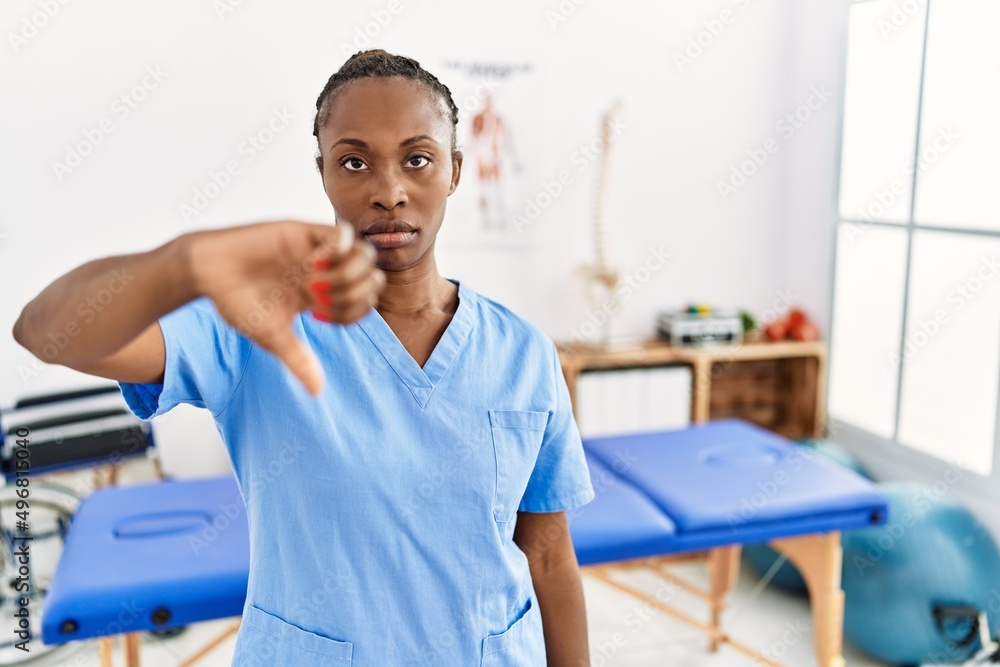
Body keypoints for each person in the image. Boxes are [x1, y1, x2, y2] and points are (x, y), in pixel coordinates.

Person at [13, 49, 595, 666]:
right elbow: (47, 332)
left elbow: (550, 552)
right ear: (324, 174)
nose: (389, 192)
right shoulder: (253, 326)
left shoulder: (523, 351)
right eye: (354, 162)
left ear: (453, 171)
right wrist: (182, 264)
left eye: (417, 159)